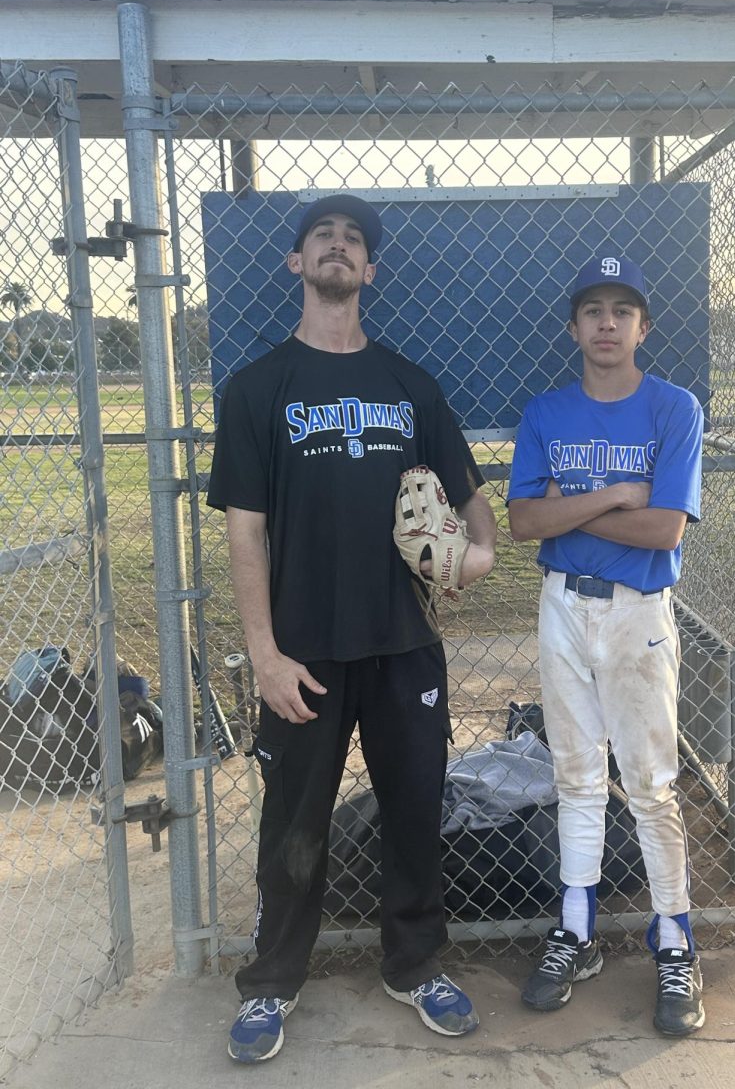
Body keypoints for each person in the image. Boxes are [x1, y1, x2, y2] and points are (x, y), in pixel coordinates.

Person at [207, 194, 497, 1063]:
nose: (338, 246)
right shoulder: (259, 387)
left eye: (354, 240)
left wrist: (467, 560)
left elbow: (477, 518)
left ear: (370, 271)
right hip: (304, 650)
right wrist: (264, 655)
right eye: (321, 237)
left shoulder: (411, 386)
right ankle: (272, 983)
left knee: (415, 811)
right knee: (295, 823)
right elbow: (245, 533)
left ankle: (413, 966)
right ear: (296, 264)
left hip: (404, 643)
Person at [507, 254, 705, 1037]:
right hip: (563, 608)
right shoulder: (547, 411)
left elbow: (664, 528)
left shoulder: (673, 407)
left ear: (643, 327)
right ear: (574, 327)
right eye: (593, 310)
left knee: (652, 784)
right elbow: (523, 524)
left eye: (623, 310)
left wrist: (573, 508)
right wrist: (618, 493)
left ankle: (675, 940)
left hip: (638, 612)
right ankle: (577, 931)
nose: (608, 323)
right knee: (577, 776)